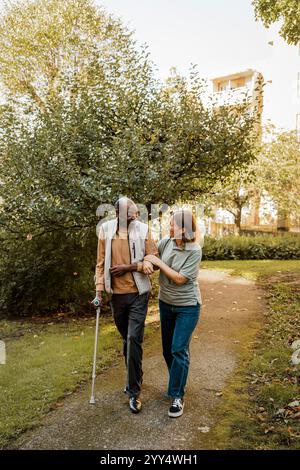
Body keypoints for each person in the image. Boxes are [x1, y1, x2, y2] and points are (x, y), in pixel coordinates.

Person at [92, 197, 158, 414]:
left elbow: (153, 257)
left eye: (135, 211)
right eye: (129, 212)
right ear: (117, 213)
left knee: (133, 338)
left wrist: (139, 265)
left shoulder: (143, 229)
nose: (134, 215)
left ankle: (134, 392)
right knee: (126, 340)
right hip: (117, 296)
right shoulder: (106, 230)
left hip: (139, 293)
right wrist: (99, 291)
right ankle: (135, 374)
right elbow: (101, 263)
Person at [144, 209, 202, 418]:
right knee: (168, 351)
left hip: (188, 306)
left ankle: (177, 395)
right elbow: (151, 257)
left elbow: (180, 279)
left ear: (184, 229)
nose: (168, 228)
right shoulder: (166, 242)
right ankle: (178, 381)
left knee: (178, 349)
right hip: (166, 304)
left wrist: (157, 262)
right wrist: (148, 263)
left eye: (172, 225)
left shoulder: (194, 250)